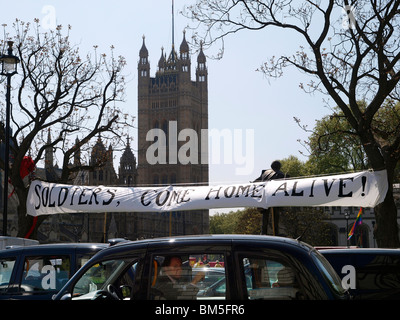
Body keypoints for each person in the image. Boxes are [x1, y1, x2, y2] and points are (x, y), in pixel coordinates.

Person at [253, 160, 288, 235]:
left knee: (265, 217)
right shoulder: (280, 174)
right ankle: (276, 233)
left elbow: (255, 181)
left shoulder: (265, 173)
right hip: (274, 198)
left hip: (264, 198)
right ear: (279, 167)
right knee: (275, 217)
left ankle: (263, 233)